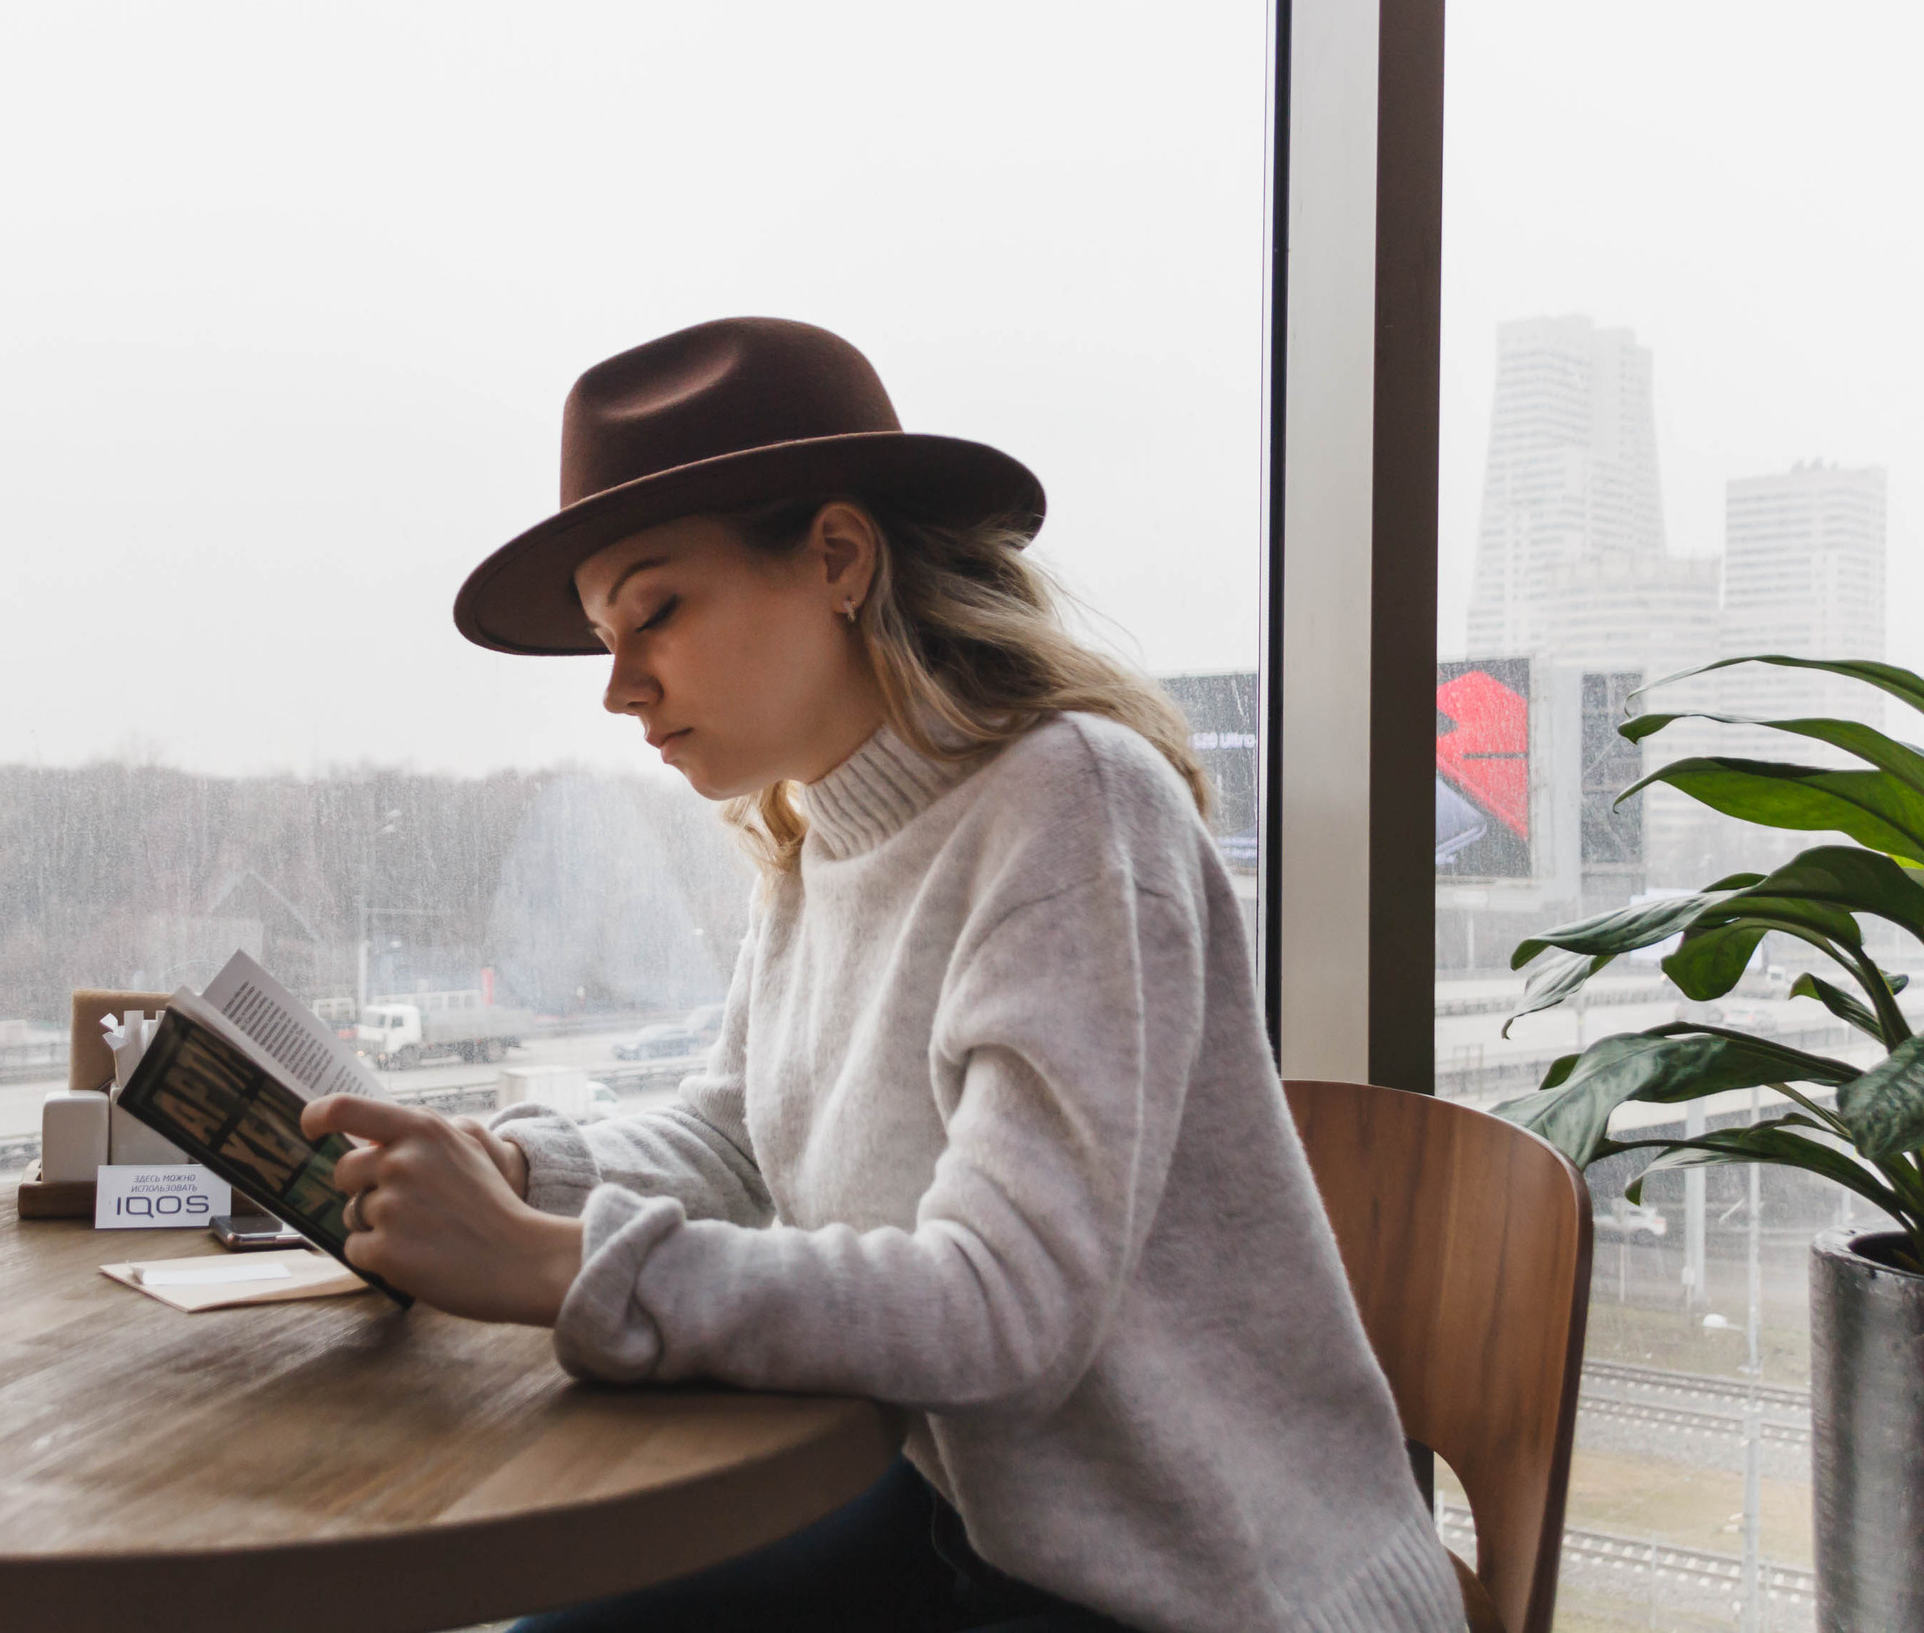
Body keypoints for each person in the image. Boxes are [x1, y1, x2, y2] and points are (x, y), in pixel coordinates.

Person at [302, 318, 1465, 1633]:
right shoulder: (816, 842)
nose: (620, 689)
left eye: (655, 611)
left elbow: (1002, 1310)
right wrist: (515, 1174)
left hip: (1201, 1580)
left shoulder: (1073, 808)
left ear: (839, 557)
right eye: (602, 638)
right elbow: (738, 1134)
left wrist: (557, 1268)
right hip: (971, 1510)